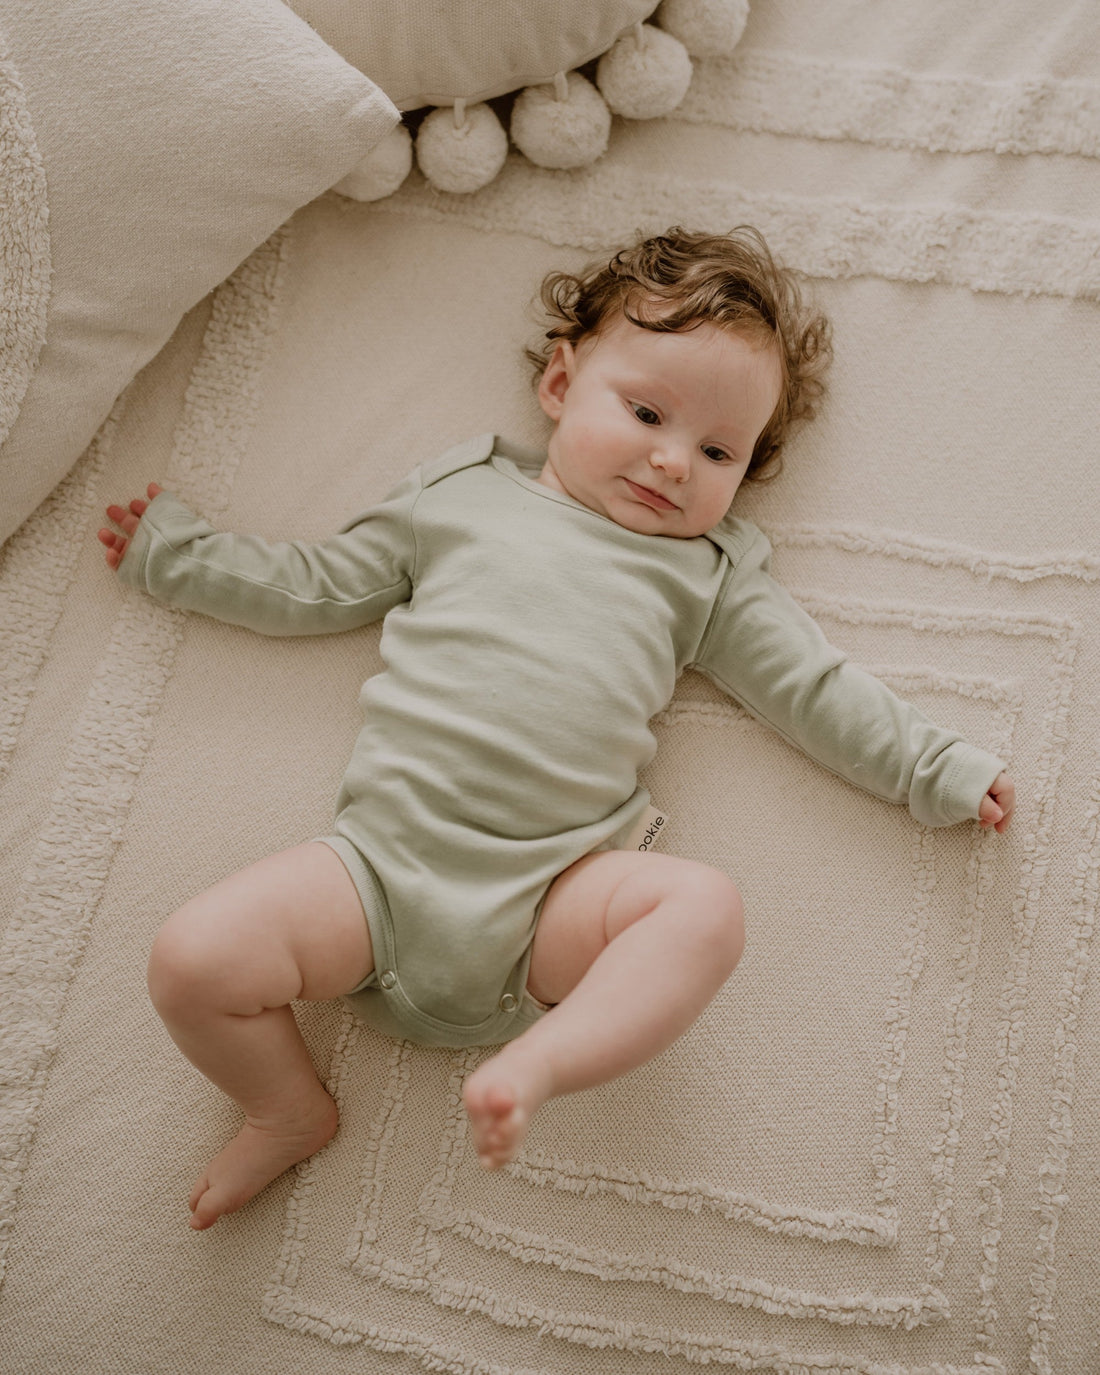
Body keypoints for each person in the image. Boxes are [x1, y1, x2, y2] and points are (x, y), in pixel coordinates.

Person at [98, 226, 1015, 1231]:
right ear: (561, 384)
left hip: (553, 895)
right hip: (380, 873)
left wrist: (935, 766)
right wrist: (178, 557)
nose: (672, 461)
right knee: (190, 959)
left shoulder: (704, 573)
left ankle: (542, 1060)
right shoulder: (457, 497)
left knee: (704, 908)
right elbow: (317, 584)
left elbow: (813, 688)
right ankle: (286, 1107)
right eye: (646, 413)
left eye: (717, 451)